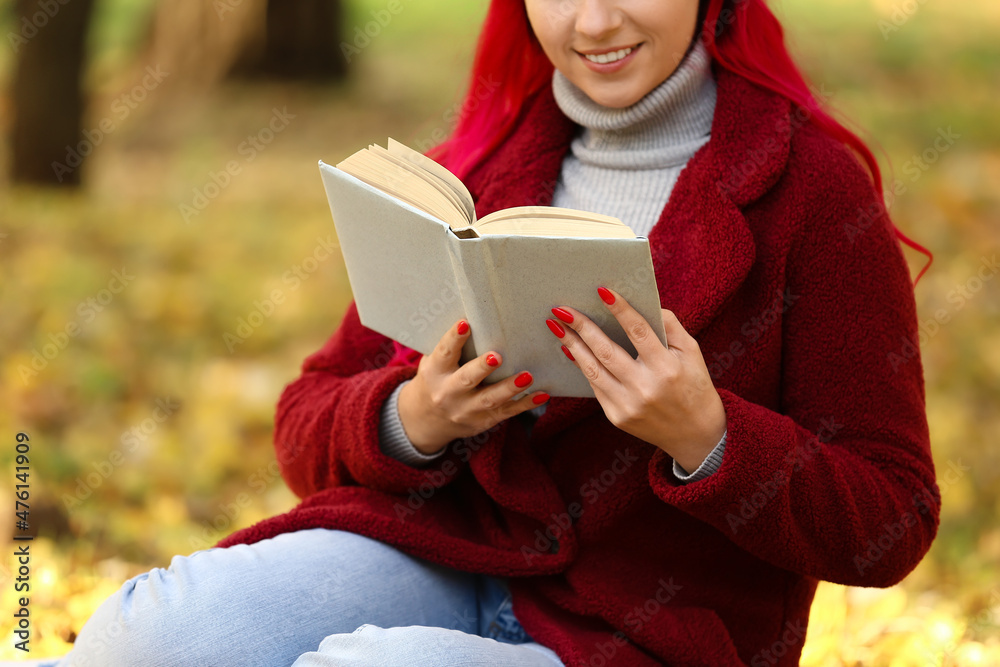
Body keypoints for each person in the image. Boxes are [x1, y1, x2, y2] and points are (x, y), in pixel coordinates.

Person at [41, 0, 939, 665]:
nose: (592, 22)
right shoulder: (479, 167)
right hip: (444, 552)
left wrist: (709, 439)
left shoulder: (811, 191)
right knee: (148, 631)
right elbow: (303, 419)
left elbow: (891, 519)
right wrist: (411, 418)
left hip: (649, 635)